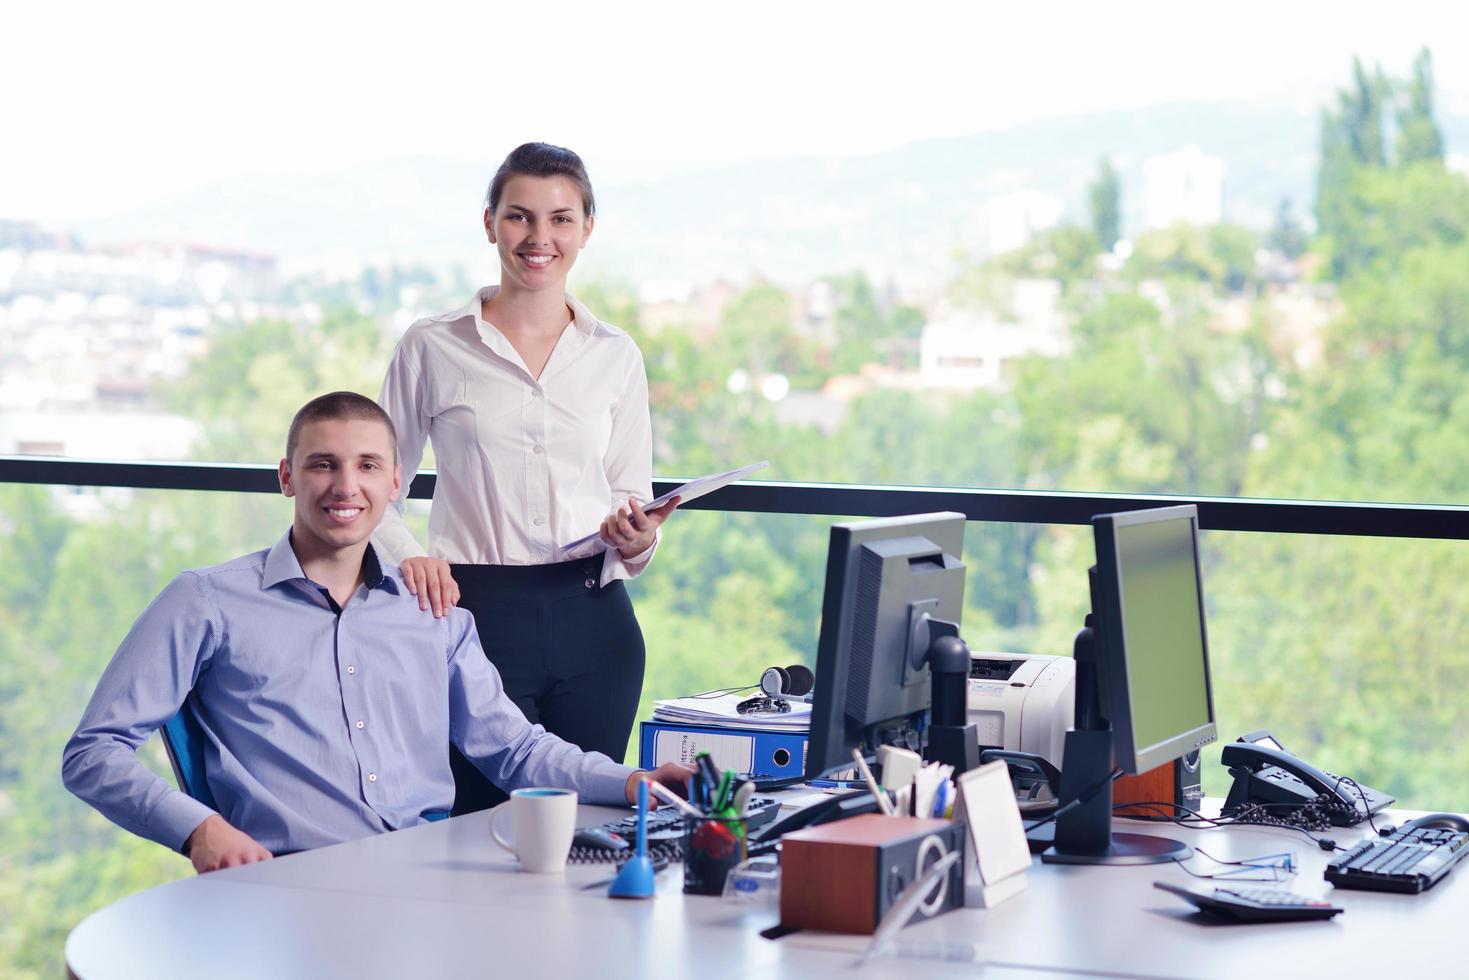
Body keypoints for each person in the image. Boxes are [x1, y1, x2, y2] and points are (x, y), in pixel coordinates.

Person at [61, 392, 692, 872]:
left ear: (396, 485)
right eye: (322, 465)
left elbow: (517, 751)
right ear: (287, 477)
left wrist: (634, 782)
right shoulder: (204, 602)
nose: (345, 486)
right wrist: (200, 830)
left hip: (428, 881)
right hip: (285, 887)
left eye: (367, 466)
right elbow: (93, 753)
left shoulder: (436, 614)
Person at [375, 142, 677, 814]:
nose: (539, 238)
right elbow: (374, 493)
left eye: (561, 219)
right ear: (490, 223)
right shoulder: (431, 346)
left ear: (586, 230)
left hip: (595, 622)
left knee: (588, 831)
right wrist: (410, 559)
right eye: (519, 217)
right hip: (473, 615)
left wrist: (636, 539)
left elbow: (630, 497)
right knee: (476, 830)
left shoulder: (614, 354)